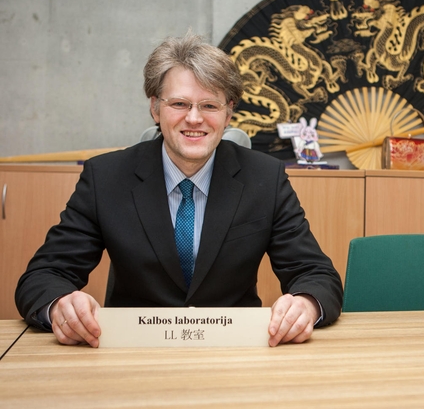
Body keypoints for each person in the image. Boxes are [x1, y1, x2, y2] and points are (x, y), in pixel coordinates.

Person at [15, 32, 343, 348]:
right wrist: (60, 305)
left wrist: (306, 304)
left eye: (209, 106)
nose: (194, 118)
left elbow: (316, 274)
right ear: (155, 108)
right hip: (133, 351)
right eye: (180, 104)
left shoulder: (265, 178)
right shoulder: (106, 178)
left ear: (228, 112)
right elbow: (44, 275)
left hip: (233, 351)